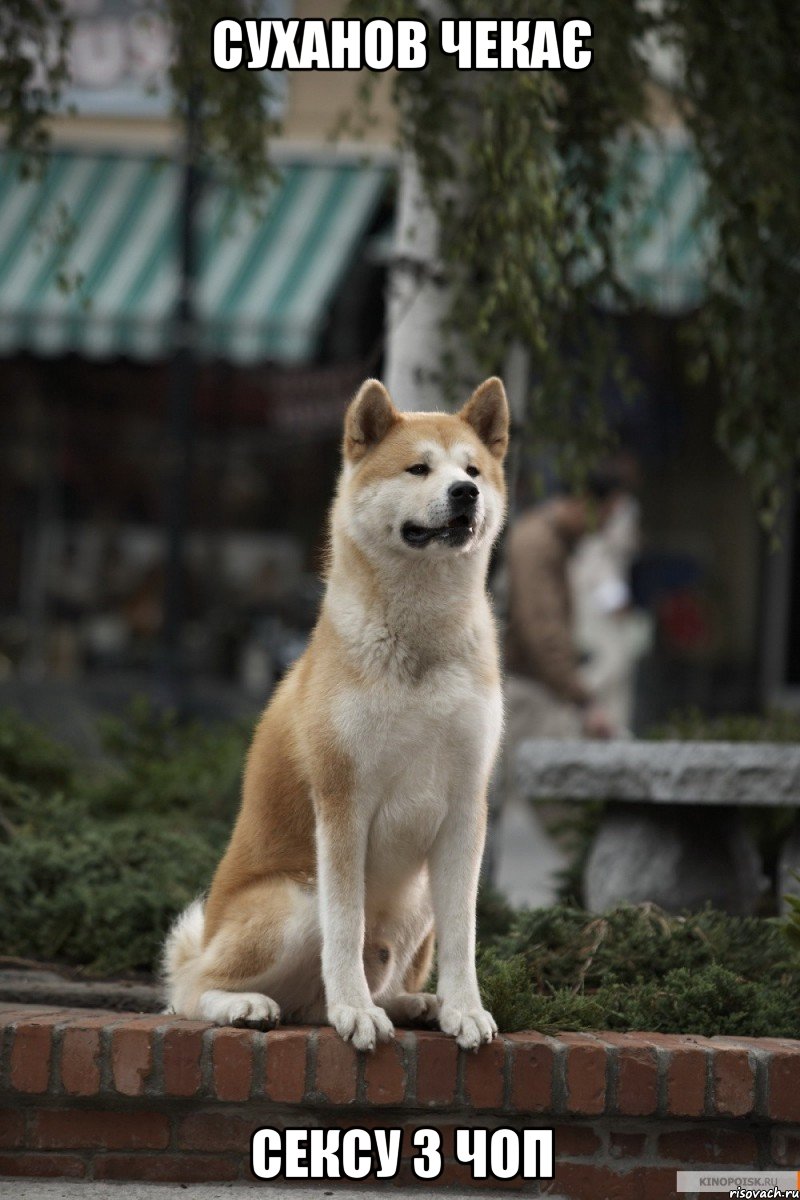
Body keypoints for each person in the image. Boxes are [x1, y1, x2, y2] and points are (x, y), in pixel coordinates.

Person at [503, 470, 627, 743]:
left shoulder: (551, 541)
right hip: (527, 691)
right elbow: (542, 630)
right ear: (586, 502)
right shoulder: (538, 544)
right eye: (606, 515)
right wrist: (583, 701)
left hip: (537, 687)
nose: (605, 527)